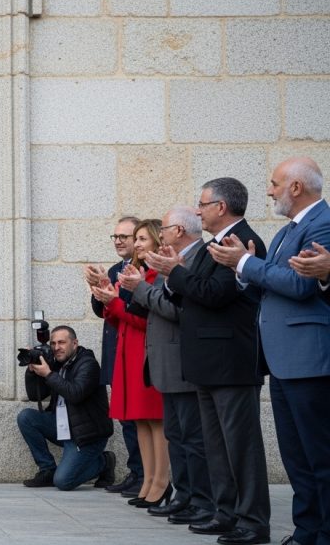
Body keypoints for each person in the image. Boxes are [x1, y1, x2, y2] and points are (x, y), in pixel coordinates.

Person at [208, 157, 330, 545]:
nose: (269, 190)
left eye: (275, 183)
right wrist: (242, 271)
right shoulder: (283, 233)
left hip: (309, 359)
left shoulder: (322, 223)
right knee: (296, 457)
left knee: (319, 456)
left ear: (296, 188)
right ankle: (306, 530)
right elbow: (269, 287)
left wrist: (245, 261)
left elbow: (300, 286)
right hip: (281, 360)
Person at [146, 177, 270, 545]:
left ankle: (253, 520)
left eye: (202, 204)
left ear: (221, 207)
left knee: (240, 447)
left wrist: (175, 273)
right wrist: (174, 277)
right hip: (204, 361)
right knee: (216, 447)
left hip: (230, 360)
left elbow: (216, 294)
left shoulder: (243, 242)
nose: (198, 210)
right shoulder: (212, 246)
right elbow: (190, 296)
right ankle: (226, 512)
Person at [121, 206, 214, 525]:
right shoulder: (167, 266)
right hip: (164, 359)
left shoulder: (188, 261)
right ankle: (183, 495)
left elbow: (174, 310)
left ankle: (196, 499)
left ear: (177, 231)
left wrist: (140, 289)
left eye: (165, 228)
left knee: (190, 436)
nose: (162, 234)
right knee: (177, 433)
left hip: (180, 358)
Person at [91, 219, 169, 508]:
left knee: (156, 420)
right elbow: (117, 316)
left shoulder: (157, 276)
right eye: (134, 239)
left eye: (142, 239)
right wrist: (107, 296)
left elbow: (147, 319)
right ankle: (148, 479)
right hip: (129, 348)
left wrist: (117, 303)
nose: (136, 244)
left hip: (147, 351)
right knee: (141, 420)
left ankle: (161, 481)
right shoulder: (137, 273)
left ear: (158, 242)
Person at [83, 216, 144, 496]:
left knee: (139, 418)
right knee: (125, 418)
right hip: (115, 350)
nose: (118, 241)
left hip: (136, 351)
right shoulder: (115, 268)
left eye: (125, 236)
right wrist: (98, 290)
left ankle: (145, 475)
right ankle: (135, 471)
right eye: (115, 236)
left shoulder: (143, 269)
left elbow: (134, 309)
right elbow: (102, 312)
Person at [17, 326, 115, 490]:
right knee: (26, 417)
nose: (56, 348)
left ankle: (104, 462)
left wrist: (48, 374)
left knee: (63, 482)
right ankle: (47, 469)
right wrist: (32, 371)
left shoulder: (88, 364)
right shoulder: (56, 365)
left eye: (62, 342)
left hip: (86, 436)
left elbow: (75, 393)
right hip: (63, 427)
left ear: (74, 343)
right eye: (53, 343)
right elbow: (35, 395)